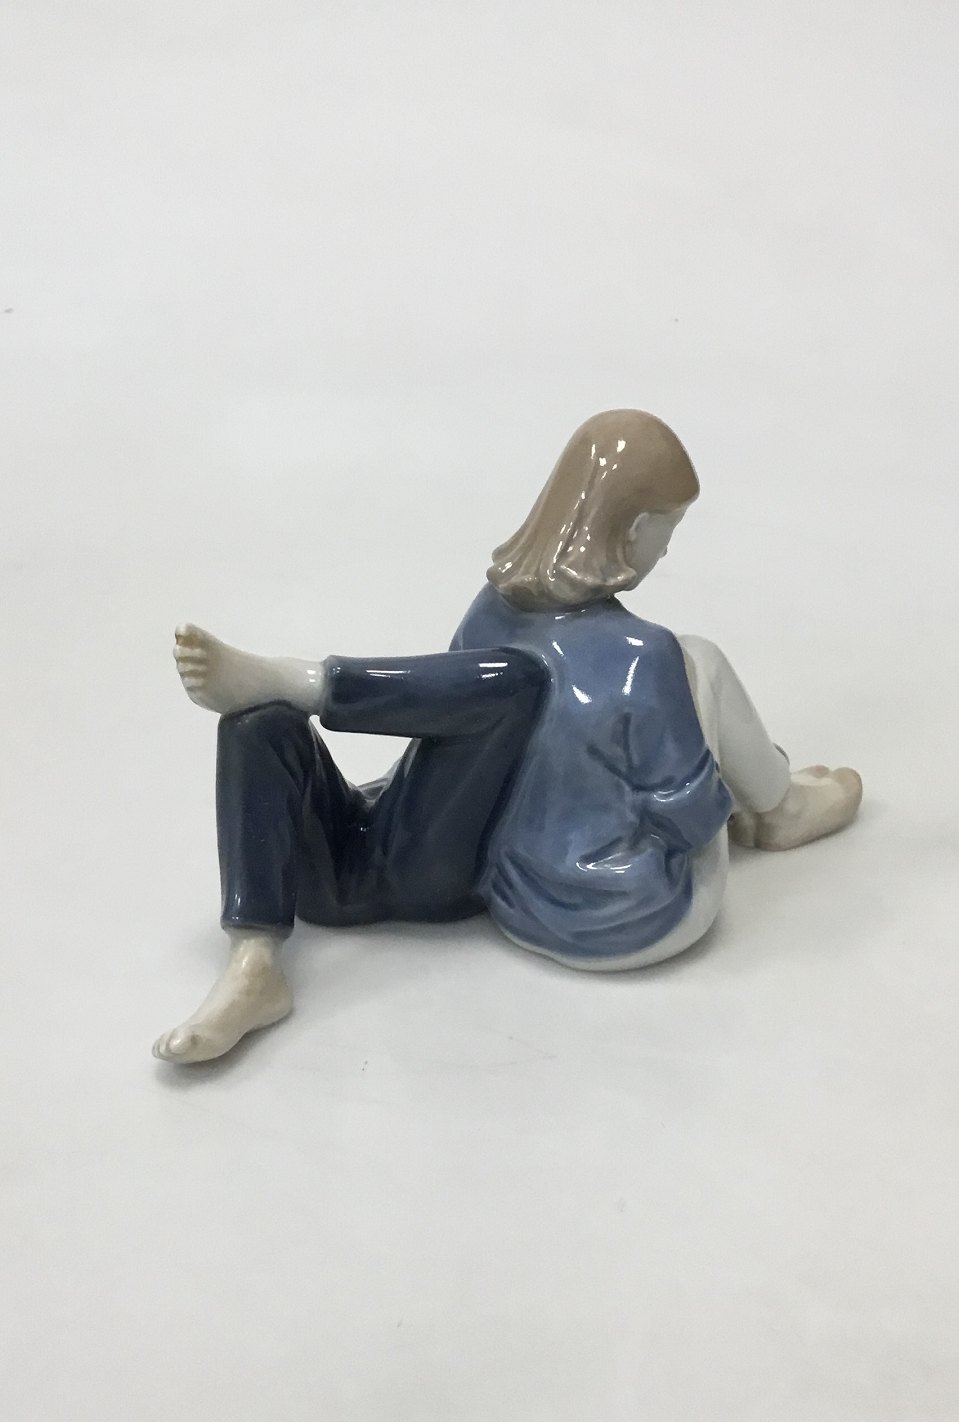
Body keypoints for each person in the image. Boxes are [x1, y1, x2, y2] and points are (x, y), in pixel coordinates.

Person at [154, 410, 862, 1064]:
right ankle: (779, 806)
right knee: (696, 659)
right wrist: (703, 777)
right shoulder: (644, 656)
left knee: (293, 711)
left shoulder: (491, 610)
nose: (666, 549)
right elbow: (688, 820)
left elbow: (456, 745)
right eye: (666, 532)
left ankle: (304, 683)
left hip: (484, 882)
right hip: (618, 917)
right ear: (635, 530)